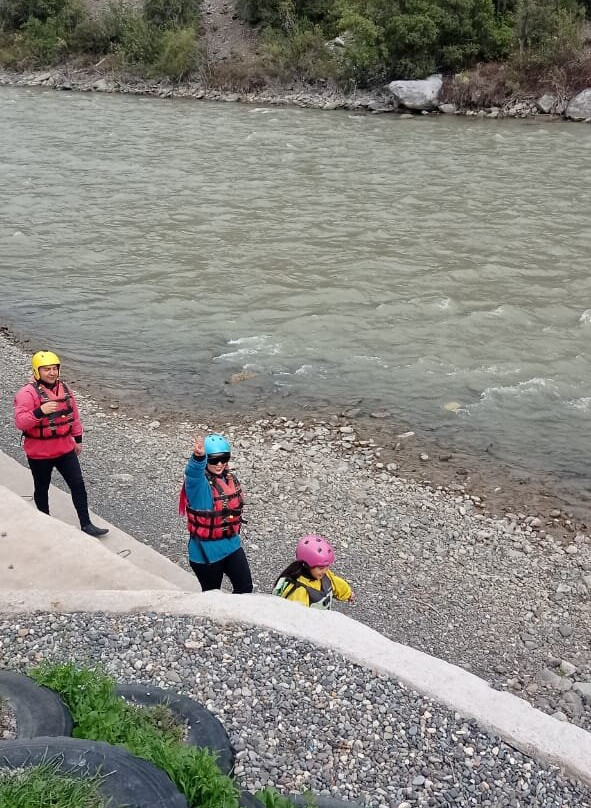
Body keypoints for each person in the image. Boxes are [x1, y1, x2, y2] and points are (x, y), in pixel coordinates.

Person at [13, 350, 108, 537]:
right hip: (39, 453)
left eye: (54, 368)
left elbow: (75, 416)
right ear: (37, 371)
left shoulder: (65, 389)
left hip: (65, 449)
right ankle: (44, 522)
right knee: (42, 488)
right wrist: (40, 411)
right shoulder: (26, 393)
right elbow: (20, 422)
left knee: (78, 486)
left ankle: (86, 524)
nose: (52, 372)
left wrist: (78, 439)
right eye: (46, 369)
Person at [179, 433, 253, 593]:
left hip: (231, 545)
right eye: (213, 460)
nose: (219, 464)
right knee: (212, 594)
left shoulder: (228, 477)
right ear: (206, 460)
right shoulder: (198, 485)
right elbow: (193, 473)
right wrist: (198, 458)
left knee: (245, 588)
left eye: (224, 458)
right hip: (205, 554)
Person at [272, 535, 355, 610]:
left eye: (327, 566)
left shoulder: (323, 574)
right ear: (306, 566)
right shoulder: (299, 591)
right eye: (321, 568)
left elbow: (335, 582)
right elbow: (296, 618)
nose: (325, 571)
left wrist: (347, 594)